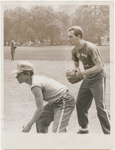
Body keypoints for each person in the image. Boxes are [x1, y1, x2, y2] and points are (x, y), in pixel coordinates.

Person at [66, 26, 110, 134]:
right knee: (80, 103)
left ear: (79, 36)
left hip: (98, 77)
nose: (69, 39)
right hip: (88, 78)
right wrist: (76, 71)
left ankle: (109, 133)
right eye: (68, 37)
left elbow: (100, 66)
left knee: (100, 107)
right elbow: (76, 63)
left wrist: (82, 73)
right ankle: (84, 128)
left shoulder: (90, 47)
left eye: (71, 36)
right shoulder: (74, 50)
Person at [11, 61, 75, 133]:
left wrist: (29, 125)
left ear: (27, 74)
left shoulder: (35, 85)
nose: (16, 77)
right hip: (55, 102)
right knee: (40, 119)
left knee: (57, 132)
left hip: (65, 100)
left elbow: (39, 109)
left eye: (19, 74)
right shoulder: (35, 79)